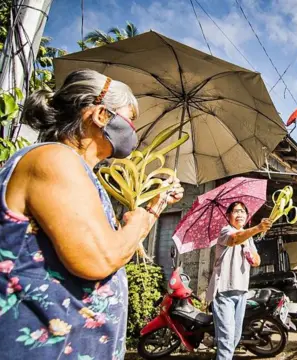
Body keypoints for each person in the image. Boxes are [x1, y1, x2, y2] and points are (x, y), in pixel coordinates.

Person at [0, 69, 184, 359]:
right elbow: (100, 259)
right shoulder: (54, 159)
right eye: (130, 119)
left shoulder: (80, 175)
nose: (132, 131)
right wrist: (137, 222)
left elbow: (112, 249)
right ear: (100, 115)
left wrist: (155, 205)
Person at [205, 202, 271, 360]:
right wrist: (257, 228)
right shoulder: (226, 230)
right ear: (228, 216)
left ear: (247, 216)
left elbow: (257, 261)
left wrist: (249, 254)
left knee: (234, 338)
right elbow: (234, 239)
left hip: (241, 292)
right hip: (224, 292)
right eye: (235, 211)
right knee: (226, 339)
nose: (239, 214)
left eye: (243, 211)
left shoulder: (248, 237)